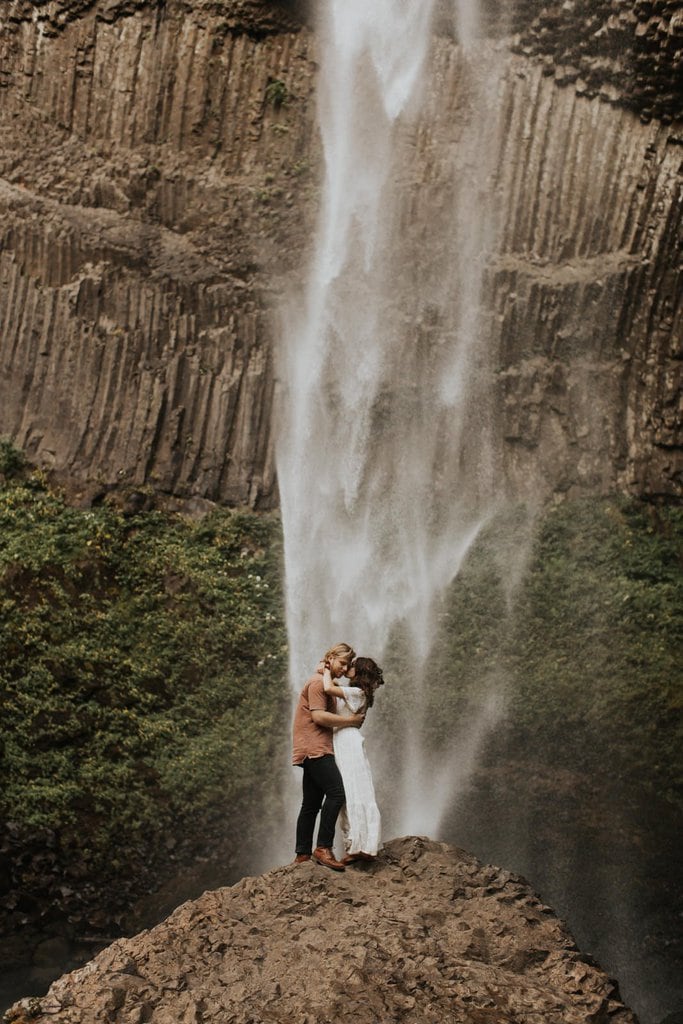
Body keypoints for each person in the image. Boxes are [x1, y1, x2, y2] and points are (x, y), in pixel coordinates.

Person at [292, 642, 365, 871]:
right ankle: (323, 847)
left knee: (311, 803)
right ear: (331, 657)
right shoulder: (317, 684)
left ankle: (302, 855)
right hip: (316, 748)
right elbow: (320, 717)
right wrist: (351, 722)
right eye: (342, 663)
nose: (344, 669)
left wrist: (326, 672)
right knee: (336, 793)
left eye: (347, 665)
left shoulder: (323, 681)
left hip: (311, 747)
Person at [322, 656, 384, 863]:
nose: (348, 668)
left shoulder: (357, 693)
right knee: (349, 792)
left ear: (359, 672)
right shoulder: (356, 693)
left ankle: (362, 846)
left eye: (352, 666)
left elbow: (329, 689)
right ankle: (356, 845)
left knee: (355, 790)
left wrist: (326, 669)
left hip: (347, 742)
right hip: (343, 741)